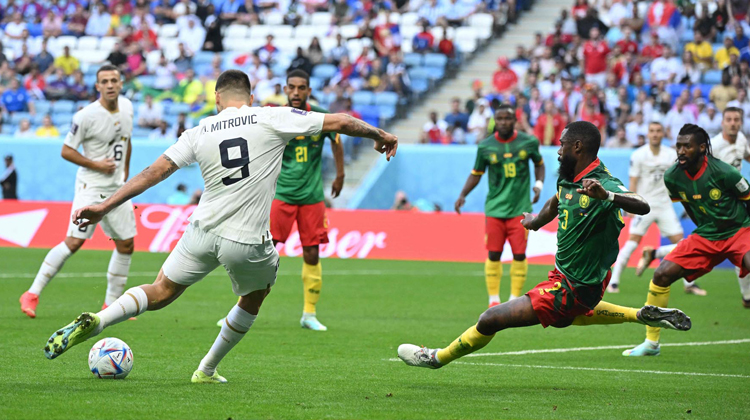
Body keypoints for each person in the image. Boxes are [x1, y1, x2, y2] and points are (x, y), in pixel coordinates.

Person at [42, 70, 397, 384]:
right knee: (255, 295)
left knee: (161, 289)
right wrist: (378, 134)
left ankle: (101, 319)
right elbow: (341, 122)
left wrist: (104, 206)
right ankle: (206, 369)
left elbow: (153, 172)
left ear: (217, 98)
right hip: (246, 239)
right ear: (251, 97)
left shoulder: (198, 131)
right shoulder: (270, 116)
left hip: (201, 231)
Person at [399, 122, 691, 370]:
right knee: (566, 317)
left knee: (490, 318)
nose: (558, 150)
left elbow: (642, 204)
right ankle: (639, 315)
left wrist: (607, 197)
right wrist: (536, 221)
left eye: (562, 145)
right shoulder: (570, 178)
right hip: (574, 280)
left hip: (574, 285)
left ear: (577, 146)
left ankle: (436, 358)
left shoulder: (602, 183)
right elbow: (557, 200)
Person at [19, 65, 135, 319]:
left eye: (114, 80)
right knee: (74, 241)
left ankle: (111, 304)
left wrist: (125, 173)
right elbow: (66, 150)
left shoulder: (127, 107)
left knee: (126, 244)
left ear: (120, 83)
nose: (110, 85)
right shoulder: (85, 116)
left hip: (117, 188)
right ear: (97, 86)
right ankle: (32, 293)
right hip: (91, 186)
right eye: (105, 81)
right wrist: (97, 165)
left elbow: (127, 142)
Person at [623, 124, 750, 356]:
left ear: (701, 148)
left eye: (687, 146)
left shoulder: (724, 172)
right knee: (661, 275)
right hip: (707, 235)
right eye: (678, 146)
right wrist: (703, 231)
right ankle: (651, 343)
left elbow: (747, 198)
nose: (681, 151)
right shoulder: (672, 176)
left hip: (738, 231)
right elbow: (689, 206)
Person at [262, 69, 345, 331]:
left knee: (311, 251)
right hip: (282, 194)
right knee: (266, 251)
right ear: (285, 90)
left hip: (311, 195)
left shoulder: (320, 116)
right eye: (292, 87)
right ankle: (243, 308)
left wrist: (340, 174)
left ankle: (309, 314)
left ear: (309, 90)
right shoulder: (275, 116)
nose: (296, 92)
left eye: (301, 88)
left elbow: (337, 139)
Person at [454, 105, 546, 307]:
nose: (503, 122)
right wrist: (463, 195)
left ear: (514, 121)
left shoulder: (529, 142)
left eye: (508, 118)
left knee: (519, 254)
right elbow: (476, 173)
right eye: (500, 118)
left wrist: (538, 185)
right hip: (495, 209)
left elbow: (539, 164)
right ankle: (493, 300)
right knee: (494, 254)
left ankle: (514, 299)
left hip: (520, 209)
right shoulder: (485, 146)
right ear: (495, 121)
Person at [607, 122, 706, 295]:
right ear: (647, 134)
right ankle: (614, 282)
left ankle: (689, 284)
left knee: (681, 243)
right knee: (632, 242)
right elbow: (633, 180)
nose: (655, 134)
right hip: (644, 204)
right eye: (652, 131)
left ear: (663, 134)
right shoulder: (639, 155)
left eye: (658, 131)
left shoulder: (671, 155)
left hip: (665, 205)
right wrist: (630, 204)